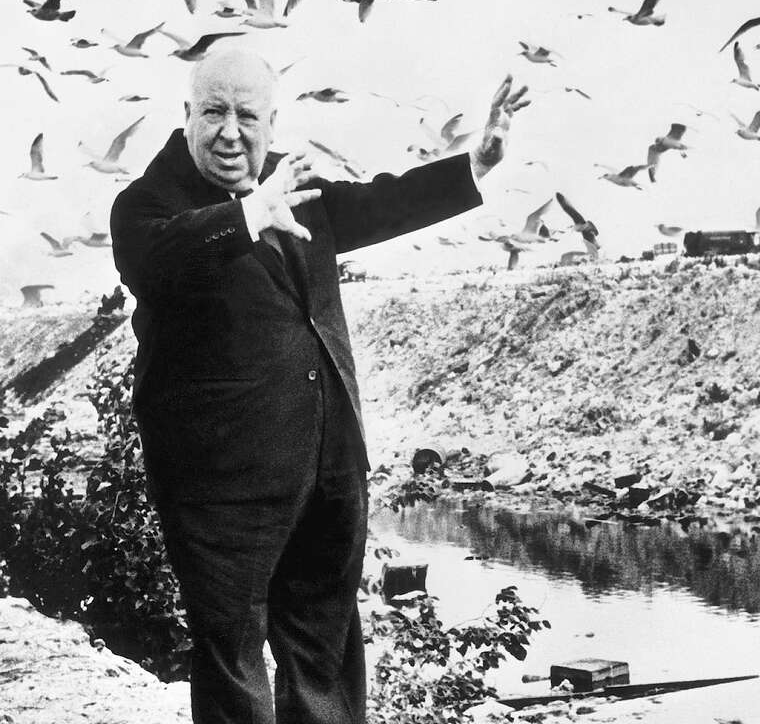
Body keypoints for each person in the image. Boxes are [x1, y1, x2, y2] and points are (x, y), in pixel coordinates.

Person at [109, 48, 528, 724]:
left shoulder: (290, 185)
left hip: (327, 467)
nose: (230, 132)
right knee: (233, 660)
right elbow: (157, 261)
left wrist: (476, 162)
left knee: (324, 654)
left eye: (248, 116)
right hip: (221, 487)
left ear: (271, 124)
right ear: (186, 115)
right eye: (213, 112)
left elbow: (380, 202)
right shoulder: (145, 208)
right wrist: (248, 217)